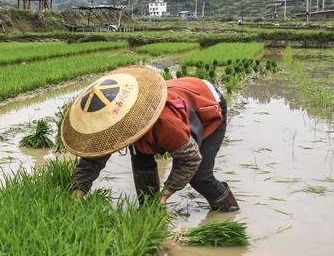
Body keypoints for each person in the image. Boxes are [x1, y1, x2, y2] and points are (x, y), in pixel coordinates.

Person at [62, 65, 238, 212]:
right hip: (172, 100)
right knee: (141, 162)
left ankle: (227, 209)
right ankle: (149, 210)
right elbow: (94, 158)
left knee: (200, 176)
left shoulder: (164, 122)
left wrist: (165, 194)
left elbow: (190, 158)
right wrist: (77, 192)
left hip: (207, 104)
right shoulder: (114, 122)